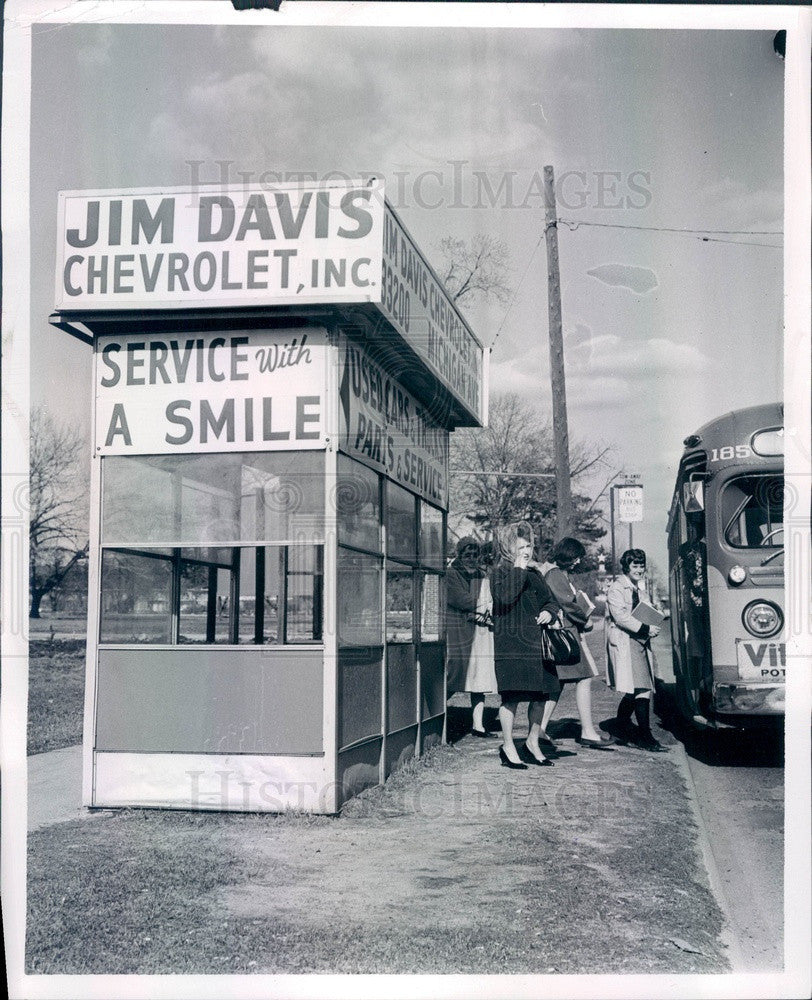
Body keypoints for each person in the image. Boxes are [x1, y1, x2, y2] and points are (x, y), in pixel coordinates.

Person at [490, 522, 561, 769]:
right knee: (510, 698)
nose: (526, 551)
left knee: (540, 697)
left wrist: (549, 613)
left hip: (537, 646)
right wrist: (519, 568)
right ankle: (508, 745)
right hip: (511, 646)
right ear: (509, 549)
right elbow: (505, 597)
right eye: (520, 547)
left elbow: (551, 602)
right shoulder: (500, 572)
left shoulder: (535, 573)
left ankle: (532, 742)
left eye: (529, 546)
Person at [538, 537, 615, 750]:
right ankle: (588, 732)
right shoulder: (555, 574)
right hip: (566, 634)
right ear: (566, 556)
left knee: (558, 685)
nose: (578, 562)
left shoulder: (554, 572)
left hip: (562, 632)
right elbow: (568, 603)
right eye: (576, 558)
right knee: (585, 677)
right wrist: (586, 619)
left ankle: (540, 731)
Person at [605, 548, 666, 752]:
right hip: (627, 640)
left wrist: (654, 618)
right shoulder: (616, 588)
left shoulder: (638, 588)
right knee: (642, 689)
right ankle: (645, 736)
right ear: (626, 567)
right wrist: (646, 628)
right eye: (635, 566)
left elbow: (646, 609)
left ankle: (621, 727)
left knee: (635, 690)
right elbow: (620, 617)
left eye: (641, 565)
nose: (639, 569)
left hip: (639, 641)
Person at [446, 537, 497, 737]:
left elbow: (489, 596)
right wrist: (485, 606)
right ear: (460, 555)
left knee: (480, 678)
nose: (472, 558)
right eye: (467, 554)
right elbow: (459, 598)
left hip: (481, 631)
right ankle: (438, 715)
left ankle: (478, 725)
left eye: (475, 555)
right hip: (459, 632)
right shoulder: (451, 573)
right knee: (455, 675)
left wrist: (488, 608)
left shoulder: (482, 574)